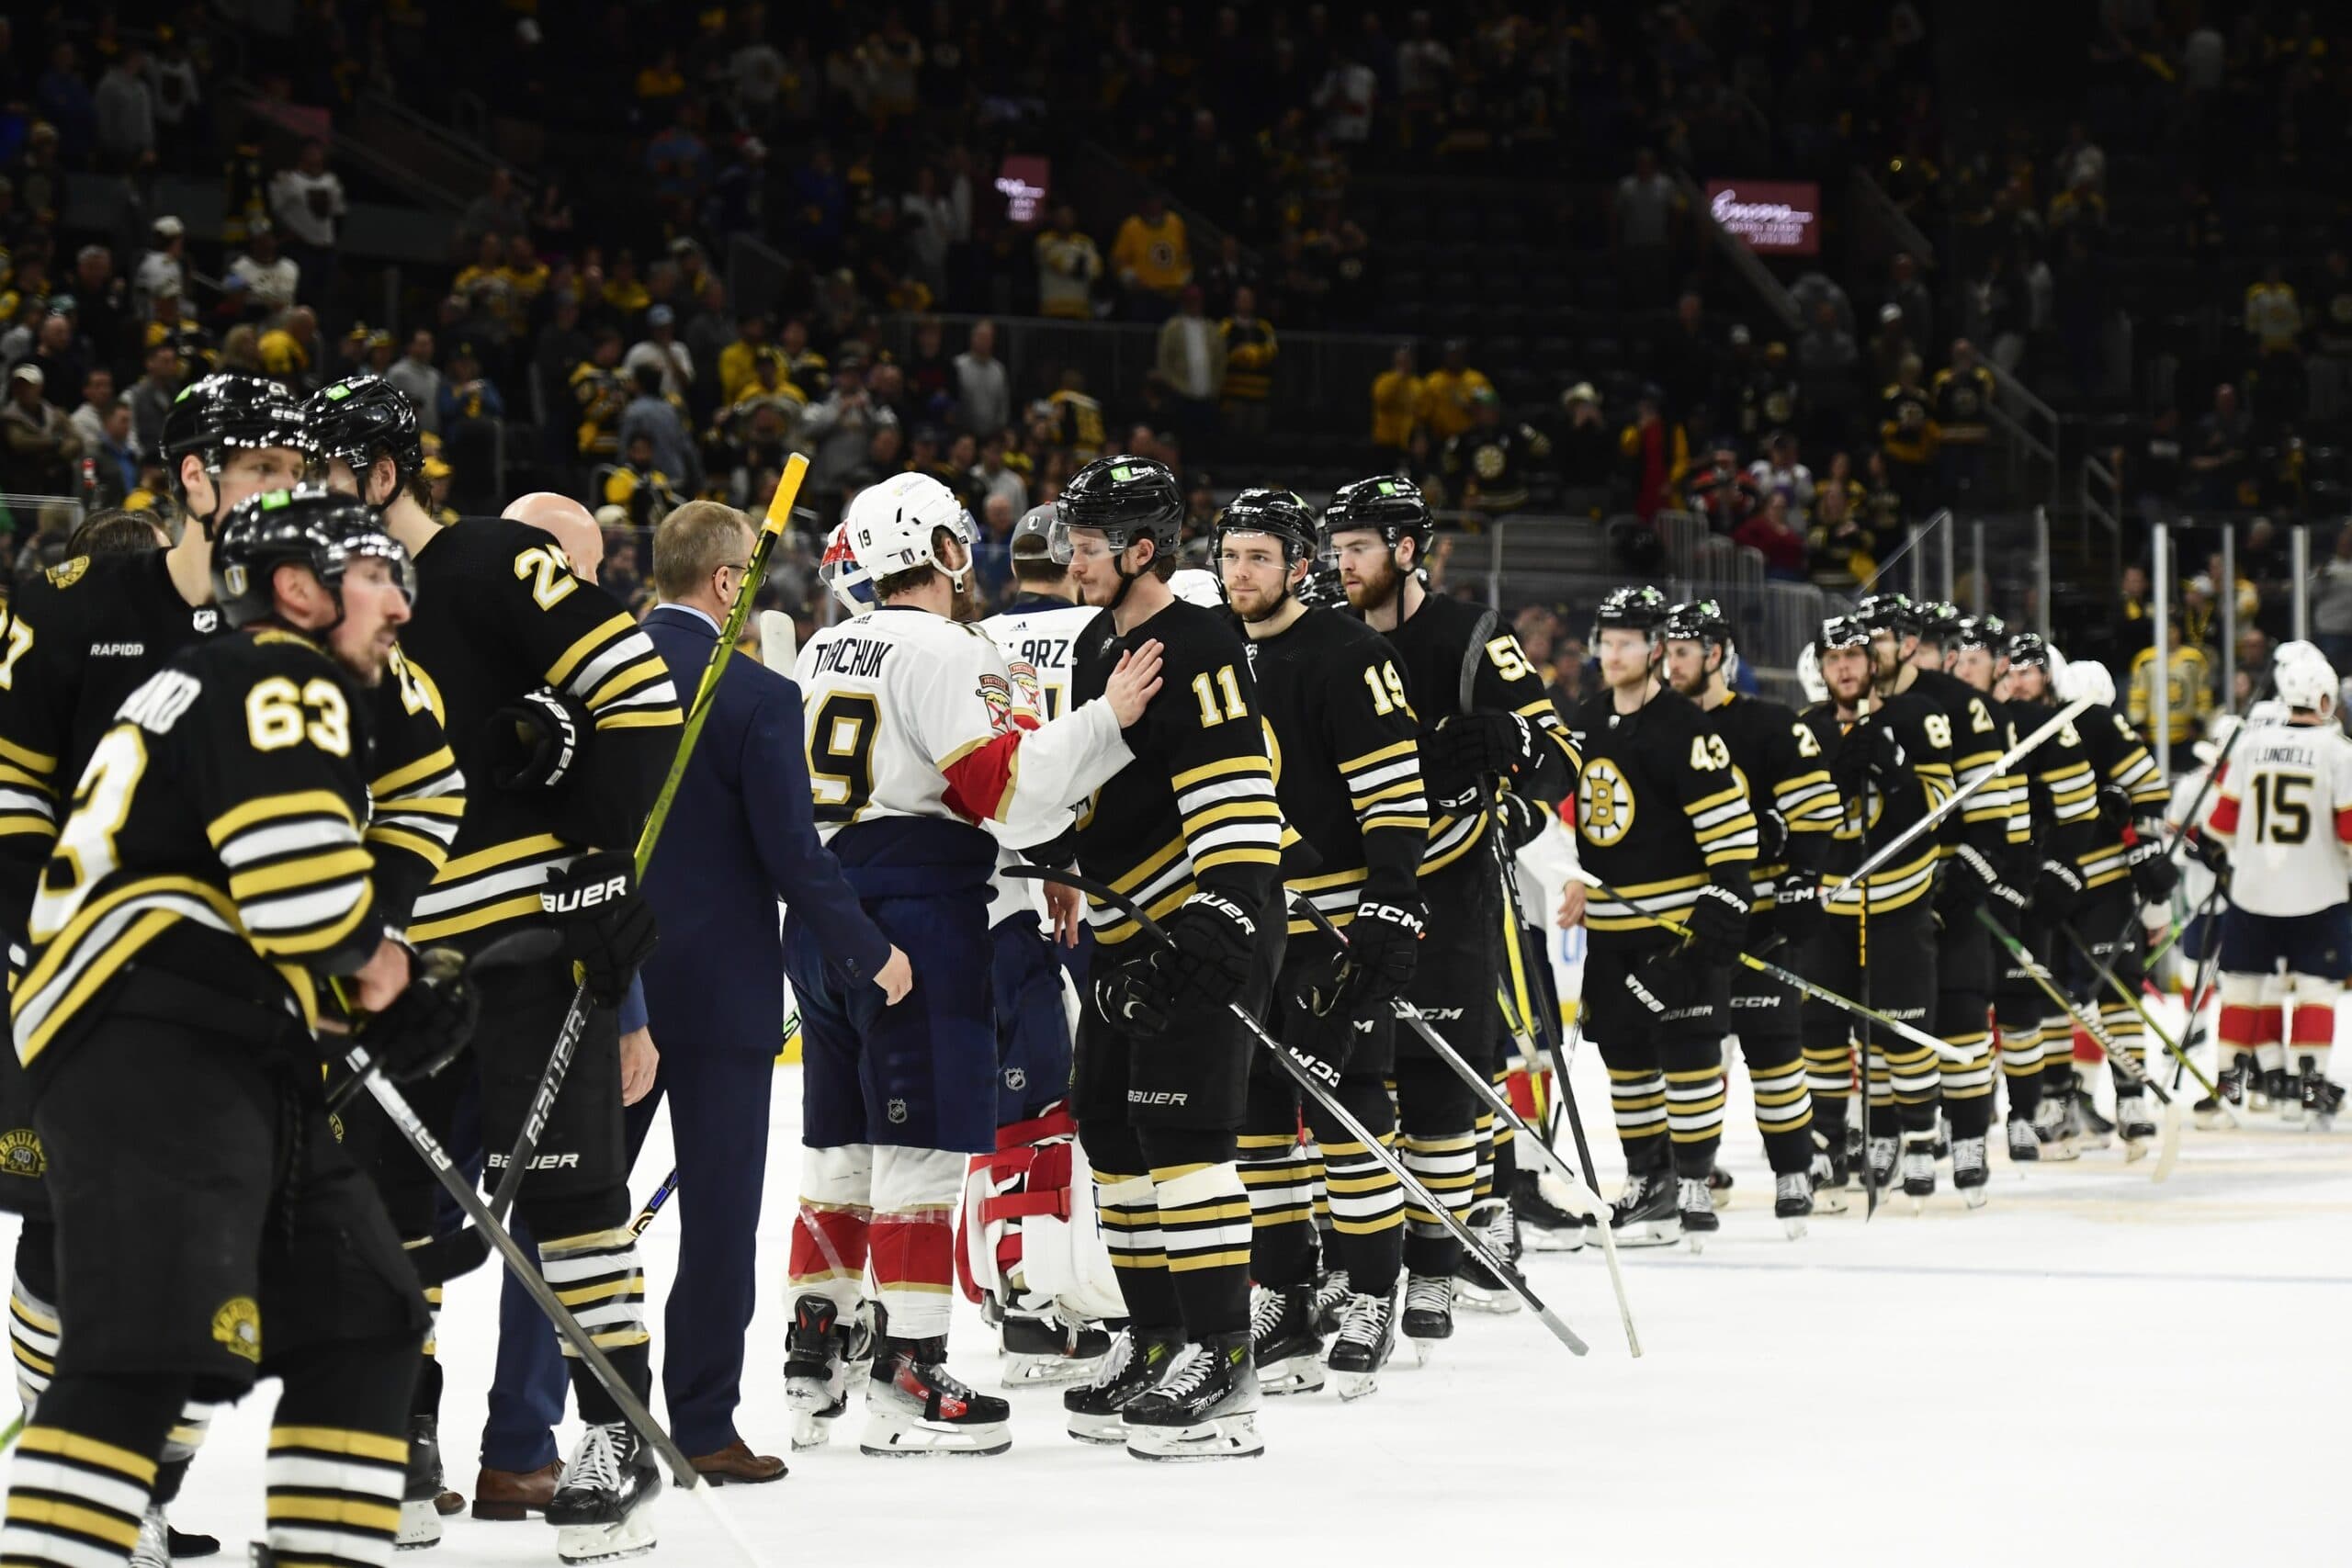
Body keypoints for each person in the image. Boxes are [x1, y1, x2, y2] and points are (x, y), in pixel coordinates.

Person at [0, 376, 459, 1564]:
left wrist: (362, 968)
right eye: (373, 575)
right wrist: (386, 965)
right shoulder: (279, 671)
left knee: (368, 1309)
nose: (399, 603)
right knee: (144, 1346)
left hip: (223, 1038)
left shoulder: (221, 670)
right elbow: (301, 891)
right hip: (153, 1040)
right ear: (301, 590)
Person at [305, 375, 684, 1560]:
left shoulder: (487, 561)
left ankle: (616, 1435)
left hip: (522, 939)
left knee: (573, 1198)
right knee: (376, 1210)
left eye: (324, 477)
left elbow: (637, 693)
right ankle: (399, 1438)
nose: (306, 503)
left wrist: (602, 865)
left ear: (381, 471)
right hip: (388, 960)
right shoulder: (313, 605)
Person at [786, 471, 1153, 1457]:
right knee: (921, 1153)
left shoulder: (823, 644)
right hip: (919, 909)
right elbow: (1004, 793)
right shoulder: (948, 647)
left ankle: (813, 1352)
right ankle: (909, 1374)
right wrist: (1104, 721)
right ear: (946, 552)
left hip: (823, 913)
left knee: (838, 1144)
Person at [626, 501, 902, 1482]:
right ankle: (700, 1425)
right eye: (752, 571)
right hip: (721, 1004)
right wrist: (871, 950)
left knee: (575, 1220)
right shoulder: (751, 695)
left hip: (609, 989)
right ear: (724, 581)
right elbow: (794, 855)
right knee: (716, 1223)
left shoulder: (594, 676)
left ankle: (575, 1425)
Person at [1048, 454, 1281, 1460]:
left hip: (1197, 926)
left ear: (1141, 550)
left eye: (1089, 544)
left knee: (1185, 1144)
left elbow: (1237, 800)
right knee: (1111, 1134)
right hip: (1119, 935)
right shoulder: (1095, 643)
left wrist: (1212, 927)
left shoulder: (1199, 643)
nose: (1071, 560)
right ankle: (1156, 1341)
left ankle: (1222, 1361)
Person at [1323, 476, 1577, 1335]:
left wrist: (1517, 751)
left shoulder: (1470, 635)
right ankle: (1352, 1261)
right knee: (1354, 1078)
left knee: (1448, 1077)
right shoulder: (1328, 631)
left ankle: (1460, 1233)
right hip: (1352, 887)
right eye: (1336, 548)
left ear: (1404, 548)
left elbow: (1560, 757)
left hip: (1453, 884)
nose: (1341, 562)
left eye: (1357, 546)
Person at [1216, 489, 1423, 1398]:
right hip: (1247, 920)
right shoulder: (1209, 649)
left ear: (1301, 565)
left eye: (1260, 557)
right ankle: (1288, 1291)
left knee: (1353, 1108)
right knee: (1258, 1116)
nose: (1240, 574)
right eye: (1229, 556)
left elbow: (1392, 798)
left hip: (1333, 924)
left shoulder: (1348, 651)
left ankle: (1373, 1289)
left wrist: (1388, 906)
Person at [1550, 588, 1758, 1246]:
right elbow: (1578, 818)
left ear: (1656, 650)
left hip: (1677, 925)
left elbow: (1732, 843)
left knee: (1690, 1051)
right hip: (1611, 929)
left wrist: (1721, 911)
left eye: (1626, 643)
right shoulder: (1584, 719)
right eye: (1605, 642)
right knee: (1626, 1055)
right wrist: (1575, 876)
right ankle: (1647, 1180)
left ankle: (1691, 1177)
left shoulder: (1688, 730)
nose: (1612, 654)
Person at [967, 506, 1121, 1382]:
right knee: (1097, 1104)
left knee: (1012, 1103)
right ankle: (1080, 1292)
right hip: (1093, 890)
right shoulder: (1109, 630)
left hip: (993, 894)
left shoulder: (975, 639)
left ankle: (1015, 1288)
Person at [1660, 598, 1834, 1235]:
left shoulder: (1771, 724)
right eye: (1667, 649)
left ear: (1717, 655)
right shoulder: (1656, 727)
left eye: (1683, 649)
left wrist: (1800, 876)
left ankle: (1793, 1167)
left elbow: (1816, 812)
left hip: (1758, 920)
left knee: (1776, 1052)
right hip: (1689, 924)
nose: (1669, 661)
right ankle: (1692, 1177)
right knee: (1692, 1061)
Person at [1876, 596, 2033, 1205]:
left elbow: (1997, 815)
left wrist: (1968, 882)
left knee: (1963, 1013)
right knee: (1889, 1025)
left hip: (1950, 889)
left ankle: (1968, 1135)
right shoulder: (1859, 704)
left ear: (1908, 643)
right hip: (1887, 894)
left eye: (1887, 637)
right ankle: (1889, 1131)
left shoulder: (1969, 707)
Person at [1793, 613, 1955, 1202]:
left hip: (1899, 900)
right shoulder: (1806, 727)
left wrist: (1896, 773)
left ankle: (1918, 1140)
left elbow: (1942, 809)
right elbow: (1792, 816)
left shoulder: (1916, 718)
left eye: (1854, 657)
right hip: (1829, 904)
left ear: (1872, 662)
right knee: (1822, 1031)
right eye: (1833, 658)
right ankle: (1829, 1145)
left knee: (1903, 1029)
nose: (1844, 668)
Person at [2010, 647, 2171, 1158]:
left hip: (2101, 879)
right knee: (2052, 995)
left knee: (2118, 987)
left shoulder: (2093, 721)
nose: (2020, 681)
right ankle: (2057, 1100)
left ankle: (2130, 1097)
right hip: (2041, 885)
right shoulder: (2002, 724)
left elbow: (2149, 788)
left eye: (2030, 671)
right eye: (2012, 672)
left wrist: (2140, 837)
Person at [2199, 643, 2350, 1126]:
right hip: (2318, 891)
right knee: (2316, 988)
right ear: (2324, 698)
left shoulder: (2249, 744)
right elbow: (2349, 830)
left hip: (2254, 890)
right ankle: (2311, 1082)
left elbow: (2219, 825)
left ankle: (2227, 1084)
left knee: (2242, 986)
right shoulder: (2338, 751)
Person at [1946, 615, 2053, 1163]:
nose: (1963, 668)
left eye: (1974, 659)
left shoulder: (2017, 722)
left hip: (2009, 889)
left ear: (1998, 667)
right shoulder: (1943, 714)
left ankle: (2024, 1117)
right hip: (1959, 886)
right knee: (1960, 1008)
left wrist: (2021, 878)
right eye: (1958, 659)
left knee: (2017, 1006)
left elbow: (2035, 812)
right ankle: (1962, 1116)